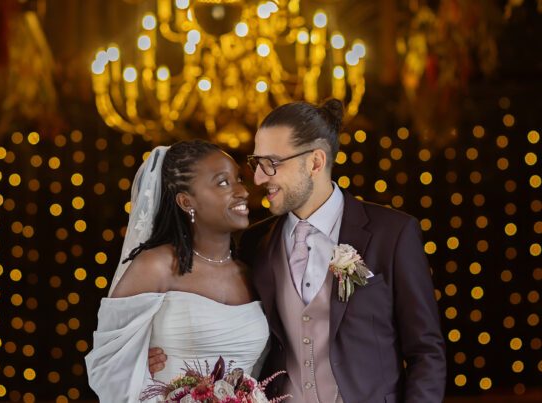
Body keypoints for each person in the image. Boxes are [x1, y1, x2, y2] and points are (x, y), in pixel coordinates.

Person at [150, 99, 446, 402]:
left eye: (271, 164)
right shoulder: (252, 243)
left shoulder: (393, 233)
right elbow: (229, 327)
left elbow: (426, 352)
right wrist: (160, 353)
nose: (258, 178)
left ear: (315, 162)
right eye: (257, 163)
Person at [85, 140, 269, 403]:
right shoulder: (156, 266)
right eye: (223, 182)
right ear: (186, 201)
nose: (241, 190)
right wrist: (139, 368)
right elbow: (109, 366)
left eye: (238, 179)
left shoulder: (252, 272)